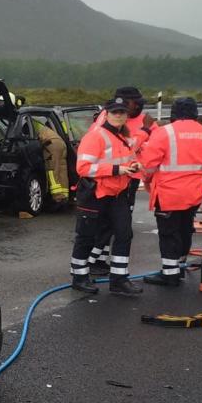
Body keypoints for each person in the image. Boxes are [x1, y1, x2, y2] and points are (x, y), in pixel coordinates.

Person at [139, 97, 202, 286]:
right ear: (196, 113)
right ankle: (180, 266)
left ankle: (170, 274)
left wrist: (146, 180)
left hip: (168, 193)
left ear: (173, 114)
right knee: (185, 229)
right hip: (194, 193)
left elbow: (149, 167)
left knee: (168, 232)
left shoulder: (163, 133)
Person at [69, 101, 143, 295]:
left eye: (122, 113)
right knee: (86, 237)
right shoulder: (95, 136)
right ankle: (79, 276)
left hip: (117, 194)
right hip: (95, 194)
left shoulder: (124, 137)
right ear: (107, 114)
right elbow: (83, 168)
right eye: (115, 112)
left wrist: (134, 165)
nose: (119, 116)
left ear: (127, 116)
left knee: (124, 234)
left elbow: (129, 158)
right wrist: (116, 170)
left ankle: (119, 279)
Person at [88, 86, 155, 271]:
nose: (137, 106)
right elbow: (129, 144)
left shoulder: (137, 120)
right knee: (110, 224)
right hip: (109, 178)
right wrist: (145, 132)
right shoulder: (108, 120)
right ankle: (94, 260)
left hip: (126, 178)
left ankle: (100, 261)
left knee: (116, 226)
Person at [31, 117, 70, 204]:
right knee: (62, 170)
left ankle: (57, 197)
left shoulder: (30, 124)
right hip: (61, 143)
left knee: (52, 170)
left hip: (51, 144)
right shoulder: (39, 123)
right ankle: (65, 195)